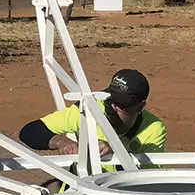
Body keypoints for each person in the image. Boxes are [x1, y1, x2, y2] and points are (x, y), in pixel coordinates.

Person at [19, 69, 167, 183]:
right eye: (111, 100)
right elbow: (30, 131)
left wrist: (115, 150)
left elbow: (148, 179)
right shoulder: (91, 108)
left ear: (140, 107)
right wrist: (61, 142)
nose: (113, 108)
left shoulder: (154, 129)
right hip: (78, 190)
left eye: (122, 105)